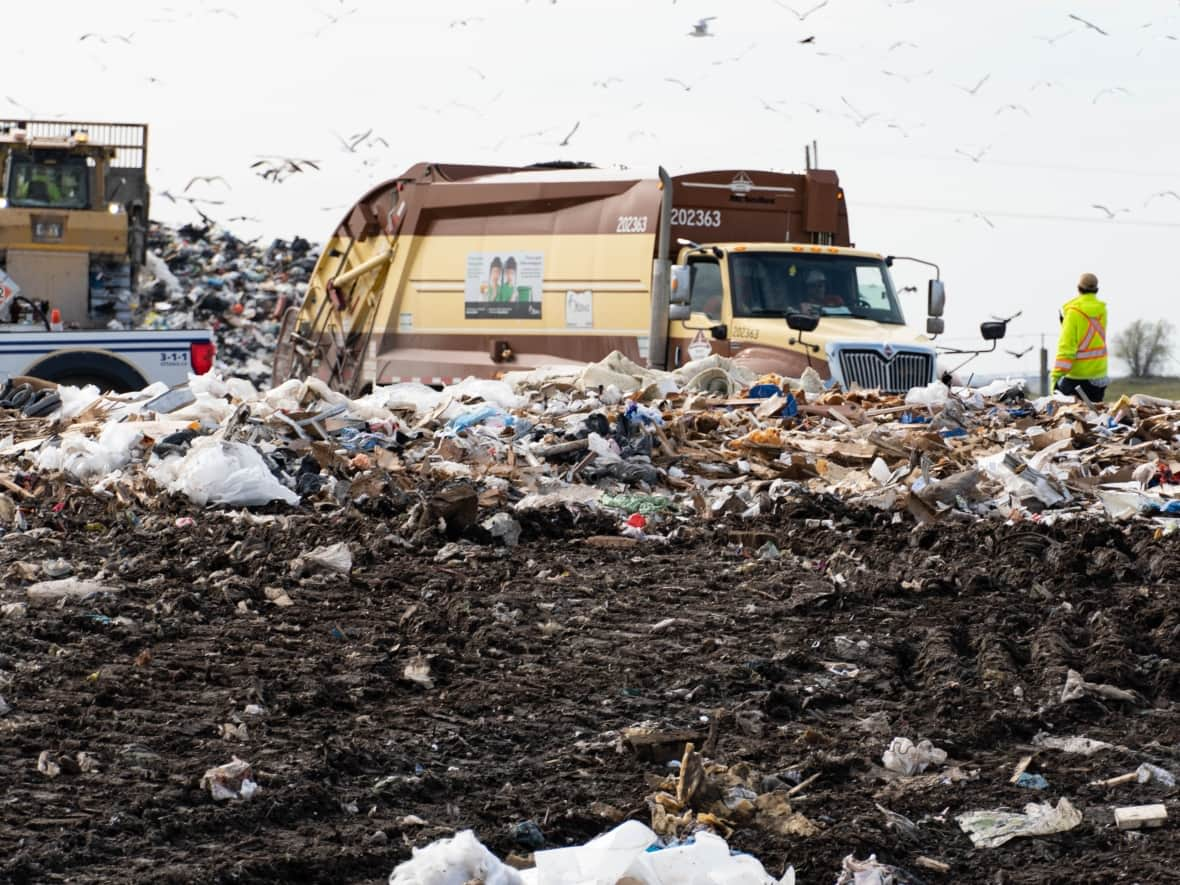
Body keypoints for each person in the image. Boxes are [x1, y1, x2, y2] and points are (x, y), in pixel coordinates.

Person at [1052, 271, 1108, 402]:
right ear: (1097, 290)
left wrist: (1054, 378)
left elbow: (1066, 349)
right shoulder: (1102, 311)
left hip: (1078, 379)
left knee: (1060, 402)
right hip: (1100, 379)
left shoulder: (1073, 313)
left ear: (1078, 288)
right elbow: (1089, 339)